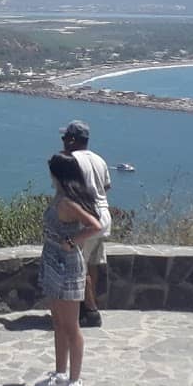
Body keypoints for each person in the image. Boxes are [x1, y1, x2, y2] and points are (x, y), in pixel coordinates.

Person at [32, 153, 100, 386]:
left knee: (71, 326)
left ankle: (75, 380)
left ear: (57, 174)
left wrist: (72, 242)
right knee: (58, 322)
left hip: (67, 266)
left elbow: (95, 225)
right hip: (52, 261)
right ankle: (60, 374)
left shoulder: (69, 203)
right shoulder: (59, 197)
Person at [61, 119, 111, 328]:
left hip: (85, 219)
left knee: (78, 268)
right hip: (104, 217)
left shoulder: (70, 161)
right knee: (92, 264)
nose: (63, 142)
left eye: (65, 138)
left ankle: (90, 311)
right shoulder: (99, 160)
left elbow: (65, 194)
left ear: (72, 140)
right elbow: (106, 187)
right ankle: (87, 306)